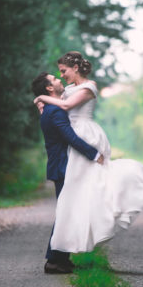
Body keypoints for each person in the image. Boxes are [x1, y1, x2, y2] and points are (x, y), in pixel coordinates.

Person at [33, 51, 143, 254]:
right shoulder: (66, 89)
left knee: (94, 183)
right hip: (71, 136)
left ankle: (104, 213)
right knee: (77, 194)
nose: (61, 75)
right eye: (58, 74)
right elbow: (56, 107)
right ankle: (61, 253)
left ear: (75, 68)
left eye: (63, 71)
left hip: (84, 134)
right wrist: (43, 103)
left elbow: (64, 105)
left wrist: (41, 97)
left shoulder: (88, 87)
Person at [31, 72, 104, 274]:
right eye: (55, 79)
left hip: (60, 165)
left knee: (67, 211)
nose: (60, 80)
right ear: (49, 88)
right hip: (63, 166)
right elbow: (70, 137)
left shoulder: (48, 108)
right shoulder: (55, 111)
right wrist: (94, 153)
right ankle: (53, 261)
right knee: (65, 213)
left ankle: (62, 258)